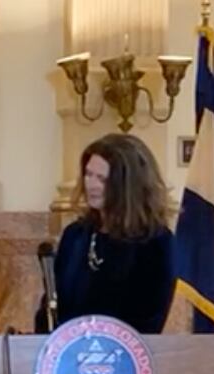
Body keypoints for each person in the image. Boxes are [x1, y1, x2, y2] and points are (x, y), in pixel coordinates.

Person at [51, 133, 174, 333]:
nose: (91, 184)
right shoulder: (75, 235)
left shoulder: (155, 242)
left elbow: (150, 318)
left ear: (127, 185)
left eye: (102, 178)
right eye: (88, 174)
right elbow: (55, 305)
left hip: (124, 355)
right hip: (69, 354)